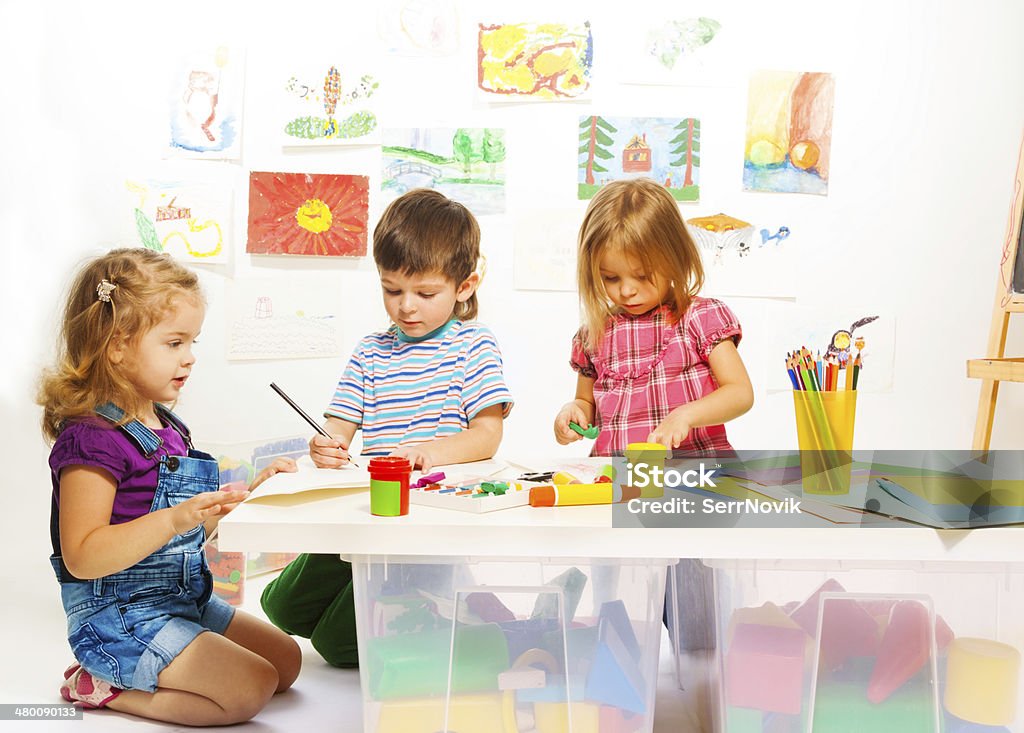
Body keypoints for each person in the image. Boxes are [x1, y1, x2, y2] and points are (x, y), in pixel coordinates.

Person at [38, 248, 301, 724]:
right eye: (174, 343)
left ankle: (164, 662)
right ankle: (99, 687)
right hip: (121, 619)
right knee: (250, 688)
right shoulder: (92, 440)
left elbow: (191, 532)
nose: (191, 357)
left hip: (181, 601)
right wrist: (173, 518)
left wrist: (251, 496)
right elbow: (82, 554)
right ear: (117, 345)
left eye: (192, 341)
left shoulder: (167, 426)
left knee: (286, 664)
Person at [261, 188, 514, 667]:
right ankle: (443, 604)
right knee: (280, 607)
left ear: (465, 286)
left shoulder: (473, 346)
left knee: (336, 647)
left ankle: (469, 619)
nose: (406, 308)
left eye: (425, 292)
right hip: (365, 513)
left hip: (423, 523)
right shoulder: (371, 351)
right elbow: (335, 430)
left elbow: (487, 434)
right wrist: (324, 445)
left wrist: (431, 452)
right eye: (392, 289)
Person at [554, 177, 753, 455]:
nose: (625, 290)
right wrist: (574, 411)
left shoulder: (700, 318)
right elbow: (585, 402)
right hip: (619, 482)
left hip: (693, 475)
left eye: (642, 276)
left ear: (676, 258)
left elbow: (740, 393)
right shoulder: (594, 334)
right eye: (610, 277)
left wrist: (686, 415)